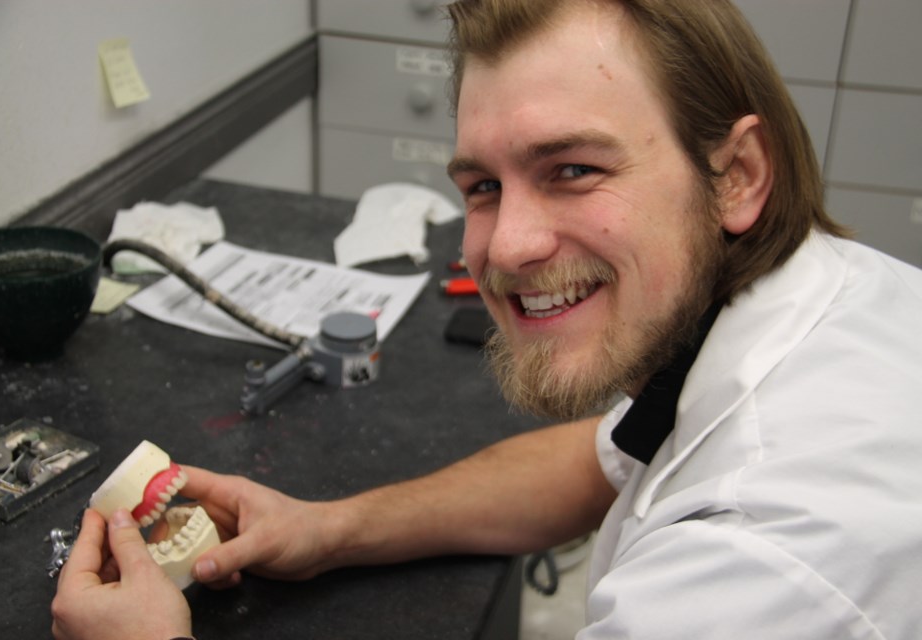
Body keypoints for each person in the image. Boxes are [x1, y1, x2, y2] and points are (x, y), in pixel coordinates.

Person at [51, 0, 922, 638]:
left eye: (573, 169)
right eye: (482, 187)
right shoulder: (811, 302)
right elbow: (602, 461)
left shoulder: (762, 565)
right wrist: (325, 529)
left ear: (737, 175)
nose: (506, 246)